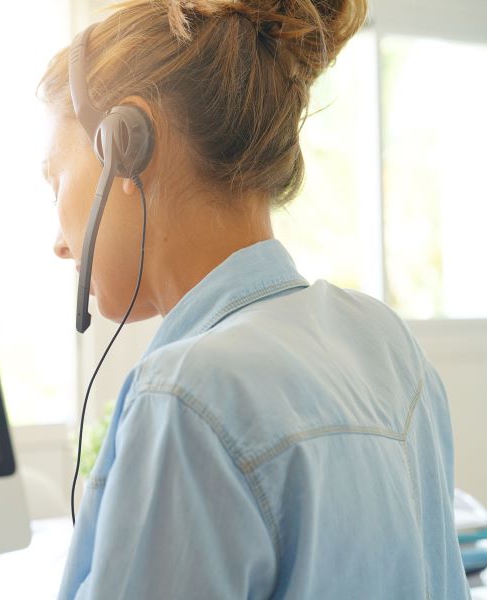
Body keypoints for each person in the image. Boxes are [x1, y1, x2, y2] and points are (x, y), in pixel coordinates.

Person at [37, 0, 469, 597]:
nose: (60, 243)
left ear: (126, 145)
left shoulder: (187, 397)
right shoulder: (386, 341)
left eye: (55, 180)